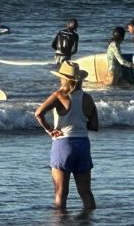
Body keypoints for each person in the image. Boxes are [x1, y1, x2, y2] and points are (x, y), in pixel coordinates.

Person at [34, 61, 98, 211]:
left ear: (64, 78)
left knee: (61, 194)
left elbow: (38, 114)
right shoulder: (88, 98)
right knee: (86, 193)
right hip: (82, 144)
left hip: (63, 144)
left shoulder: (59, 95)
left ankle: (60, 222)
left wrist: (50, 130)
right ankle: (89, 221)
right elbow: (94, 126)